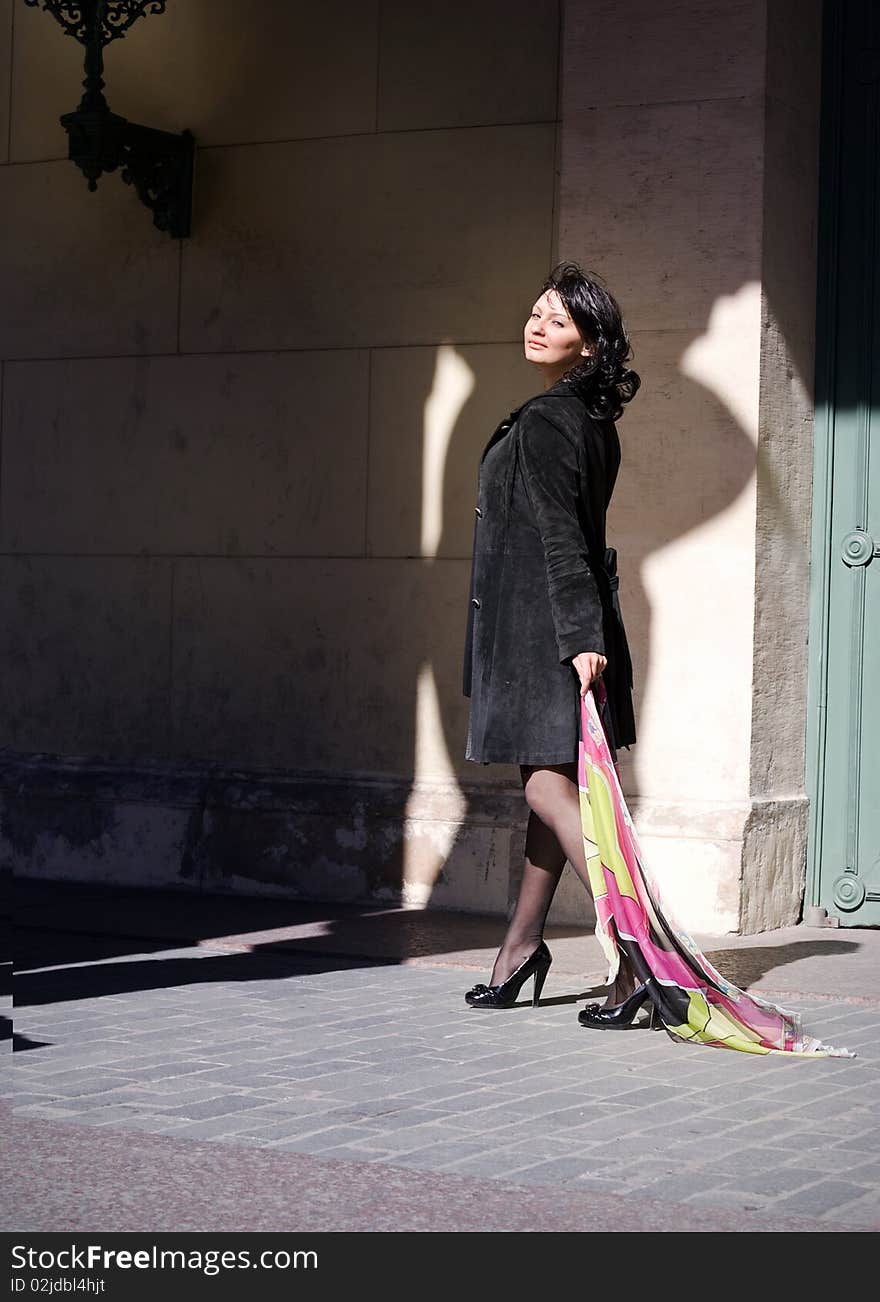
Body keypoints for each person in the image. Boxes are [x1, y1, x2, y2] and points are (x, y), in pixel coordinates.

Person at [461, 261, 643, 1021]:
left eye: (557, 320)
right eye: (536, 312)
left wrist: (576, 635)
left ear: (591, 346)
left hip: (544, 632)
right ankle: (521, 948)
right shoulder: (587, 421)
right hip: (561, 627)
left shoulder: (546, 422)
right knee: (549, 796)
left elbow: (564, 538)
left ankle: (637, 958)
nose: (537, 326)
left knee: (543, 787)